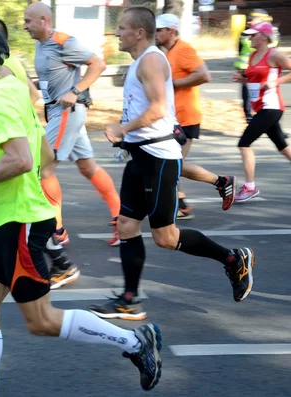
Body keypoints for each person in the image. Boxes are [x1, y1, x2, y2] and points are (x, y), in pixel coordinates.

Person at [0, 27, 162, 397]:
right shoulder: (11, 89)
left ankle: (136, 341)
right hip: (12, 218)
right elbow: (43, 155)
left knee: (41, 320)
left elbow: (22, 158)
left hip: (19, 221)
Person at [88, 7, 255, 321]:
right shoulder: (142, 61)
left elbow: (158, 109)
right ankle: (129, 299)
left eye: (122, 28)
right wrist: (127, 137)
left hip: (158, 159)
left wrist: (121, 129)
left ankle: (233, 259)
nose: (117, 33)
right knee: (126, 226)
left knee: (166, 237)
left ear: (139, 32)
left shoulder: (151, 59)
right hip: (140, 156)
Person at [0, 17, 78, 290]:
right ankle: (29, 247)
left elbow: (22, 102)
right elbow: (29, 100)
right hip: (26, 149)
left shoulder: (4, 70)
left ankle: (54, 257)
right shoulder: (6, 70)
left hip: (19, 159)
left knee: (42, 319)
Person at [24, 2, 122, 250]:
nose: (24, 26)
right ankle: (121, 221)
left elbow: (98, 63)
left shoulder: (64, 41)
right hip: (60, 113)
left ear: (44, 20)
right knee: (88, 167)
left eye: (28, 21)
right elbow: (51, 77)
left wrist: (75, 90)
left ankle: (57, 230)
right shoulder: (40, 44)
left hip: (67, 112)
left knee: (42, 168)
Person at [155, 13, 236, 218]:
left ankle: (222, 181)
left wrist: (172, 85)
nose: (155, 34)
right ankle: (181, 204)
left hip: (186, 118)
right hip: (173, 118)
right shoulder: (168, 52)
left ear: (171, 31)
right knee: (172, 164)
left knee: (173, 165)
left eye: (159, 30)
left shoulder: (184, 50)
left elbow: (204, 75)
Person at [232, 21, 291, 203]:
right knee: (282, 146)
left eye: (253, 35)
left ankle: (250, 187)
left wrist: (276, 82)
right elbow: (254, 81)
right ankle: (250, 187)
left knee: (244, 143)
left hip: (271, 107)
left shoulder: (274, 55)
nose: (250, 38)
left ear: (264, 37)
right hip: (261, 107)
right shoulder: (252, 56)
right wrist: (243, 80)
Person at [235, 9, 278, 124]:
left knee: (265, 98)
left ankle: (264, 121)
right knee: (249, 96)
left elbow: (271, 47)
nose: (249, 22)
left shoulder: (269, 33)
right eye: (249, 20)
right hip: (246, 68)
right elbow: (240, 50)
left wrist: (277, 81)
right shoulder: (245, 33)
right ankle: (250, 118)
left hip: (264, 69)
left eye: (252, 19)